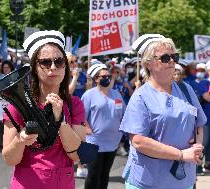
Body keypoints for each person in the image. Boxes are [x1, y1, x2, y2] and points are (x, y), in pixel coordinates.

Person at [120, 34, 207, 189]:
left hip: (183, 179)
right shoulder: (140, 96)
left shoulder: (185, 89)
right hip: (150, 182)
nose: (172, 61)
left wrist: (197, 145)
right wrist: (180, 155)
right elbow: (138, 141)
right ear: (148, 64)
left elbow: (198, 125)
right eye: (165, 58)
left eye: (174, 56)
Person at [2, 30, 86, 189]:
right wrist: (20, 140)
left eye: (59, 61)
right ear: (34, 67)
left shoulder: (75, 104)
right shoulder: (17, 106)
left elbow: (76, 155)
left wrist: (60, 121)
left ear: (65, 67)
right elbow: (9, 159)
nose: (53, 67)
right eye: (46, 62)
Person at [81, 63, 126, 189]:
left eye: (108, 76)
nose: (107, 78)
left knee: (105, 174)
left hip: (112, 142)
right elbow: (81, 116)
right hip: (94, 142)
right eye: (103, 76)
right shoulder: (89, 95)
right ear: (96, 79)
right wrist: (87, 129)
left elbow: (124, 114)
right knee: (94, 174)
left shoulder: (116, 94)